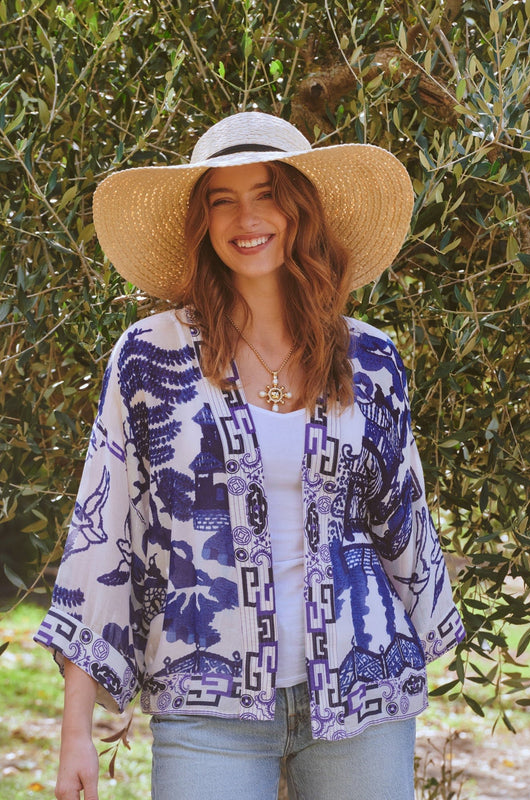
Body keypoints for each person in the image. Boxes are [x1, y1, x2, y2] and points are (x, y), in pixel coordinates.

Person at [35, 111, 465, 800]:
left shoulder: (372, 359)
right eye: (222, 200)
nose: (247, 218)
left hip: (363, 693)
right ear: (203, 222)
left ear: (300, 211)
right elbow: (102, 536)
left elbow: (402, 524)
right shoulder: (149, 358)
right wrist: (75, 731)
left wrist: (430, 639)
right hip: (206, 703)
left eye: (266, 193)